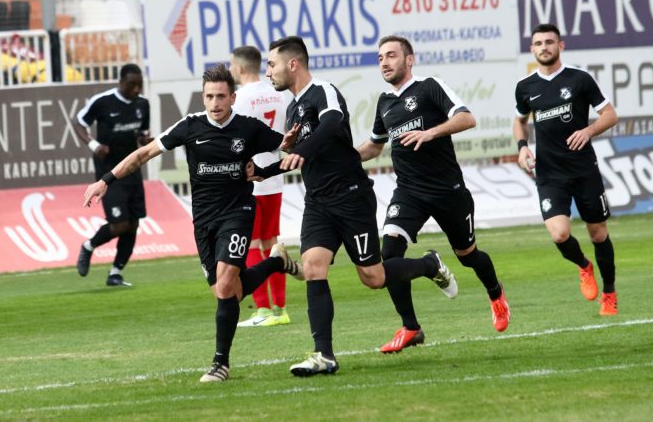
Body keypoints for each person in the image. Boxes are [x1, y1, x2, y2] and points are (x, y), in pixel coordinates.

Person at [83, 64, 304, 383]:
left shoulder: (248, 128)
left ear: (232, 97)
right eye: (209, 96)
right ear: (203, 97)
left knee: (226, 285)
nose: (215, 103)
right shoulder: (190, 126)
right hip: (203, 220)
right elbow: (143, 154)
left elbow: (287, 149)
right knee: (228, 292)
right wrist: (105, 180)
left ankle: (220, 364)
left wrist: (279, 156)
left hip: (238, 211)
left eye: (221, 96)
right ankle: (276, 263)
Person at [251, 36, 456, 376]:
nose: (268, 72)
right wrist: (262, 171)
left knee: (373, 278)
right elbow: (298, 157)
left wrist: (302, 150)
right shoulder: (293, 109)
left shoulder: (323, 91)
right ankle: (324, 355)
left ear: (293, 64)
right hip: (318, 202)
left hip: (350, 197)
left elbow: (332, 123)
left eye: (271, 65)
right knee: (313, 267)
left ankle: (428, 264)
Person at [357, 36, 511, 353]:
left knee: (468, 256)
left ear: (409, 59)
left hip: (447, 190)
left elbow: (467, 118)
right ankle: (411, 327)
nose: (384, 62)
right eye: (380, 58)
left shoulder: (429, 87)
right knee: (390, 255)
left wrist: (430, 132)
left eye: (391, 55)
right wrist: (339, 157)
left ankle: (495, 293)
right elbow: (374, 146)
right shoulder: (385, 102)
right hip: (408, 192)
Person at [513, 23, 619, 316]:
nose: (544, 47)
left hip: (584, 170)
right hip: (549, 173)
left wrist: (588, 130)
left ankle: (609, 294)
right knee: (559, 234)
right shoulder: (525, 87)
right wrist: (522, 147)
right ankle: (584, 266)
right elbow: (519, 121)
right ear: (532, 49)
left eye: (549, 42)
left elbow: (610, 115)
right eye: (538, 43)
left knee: (598, 234)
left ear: (560, 46)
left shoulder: (579, 79)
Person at [230, 46, 291, 327]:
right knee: (272, 242)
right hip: (274, 177)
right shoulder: (277, 93)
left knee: (252, 244)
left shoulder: (240, 98)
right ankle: (280, 309)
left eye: (231, 65)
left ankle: (263, 309)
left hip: (252, 179)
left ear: (240, 67)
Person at [74, 63, 151, 286]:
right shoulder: (103, 101)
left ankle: (115, 273)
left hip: (132, 170)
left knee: (133, 224)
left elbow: (141, 135)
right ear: (121, 82)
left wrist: (145, 140)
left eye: (139, 84)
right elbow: (78, 122)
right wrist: (94, 145)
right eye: (132, 84)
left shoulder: (143, 104)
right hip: (108, 174)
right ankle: (88, 246)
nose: (136, 89)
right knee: (119, 224)